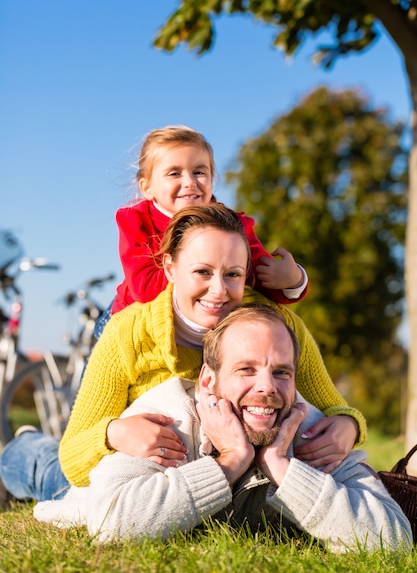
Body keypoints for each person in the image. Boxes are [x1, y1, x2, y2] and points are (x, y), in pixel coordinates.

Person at [0, 204, 366, 502]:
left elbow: (334, 407)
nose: (219, 291)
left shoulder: (277, 327)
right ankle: (22, 448)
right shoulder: (128, 334)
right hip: (134, 479)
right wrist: (112, 434)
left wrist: (348, 427)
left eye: (233, 274)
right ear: (171, 267)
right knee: (53, 479)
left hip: (206, 485)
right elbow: (75, 458)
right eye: (202, 272)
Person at [33, 304, 412, 553]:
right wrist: (229, 463)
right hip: (73, 486)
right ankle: (26, 445)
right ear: (208, 381)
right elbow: (109, 523)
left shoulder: (308, 429)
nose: (266, 387)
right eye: (246, 369)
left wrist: (282, 469)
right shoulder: (168, 417)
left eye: (281, 372)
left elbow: (393, 540)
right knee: (42, 469)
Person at [94, 125, 308, 337]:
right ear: (147, 187)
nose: (189, 182)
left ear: (212, 178)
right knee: (100, 368)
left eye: (199, 172)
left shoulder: (231, 226)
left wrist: (292, 280)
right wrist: (200, 276)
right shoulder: (135, 220)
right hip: (131, 318)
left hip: (199, 322)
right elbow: (145, 288)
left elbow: (256, 276)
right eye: (174, 173)